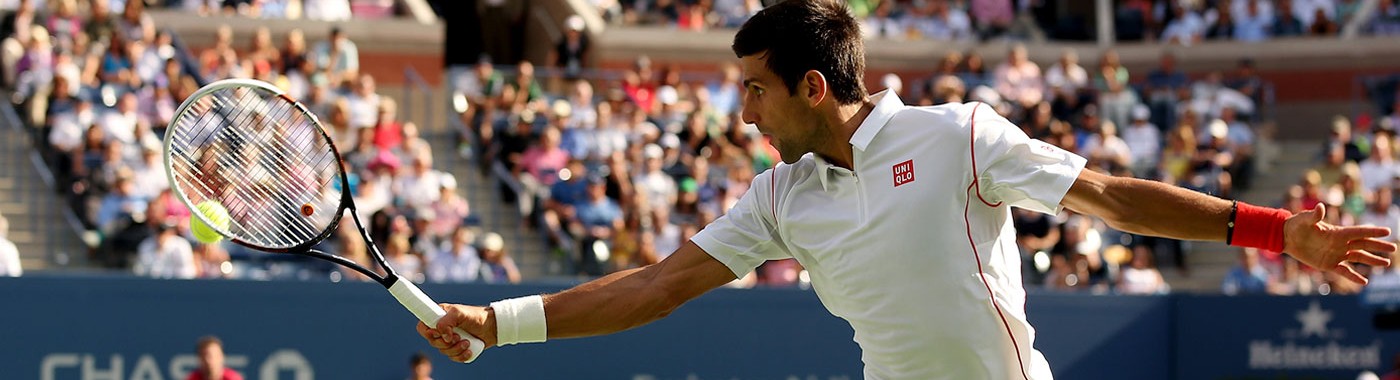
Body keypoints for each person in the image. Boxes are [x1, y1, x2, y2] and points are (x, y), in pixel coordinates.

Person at [416, 1, 1394, 378]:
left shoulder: (957, 134)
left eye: (754, 90)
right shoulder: (776, 196)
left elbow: (1108, 196)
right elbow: (650, 286)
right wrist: (500, 323)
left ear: (811, 86)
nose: (743, 114)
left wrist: (1275, 231)